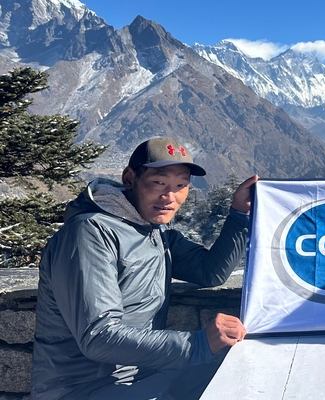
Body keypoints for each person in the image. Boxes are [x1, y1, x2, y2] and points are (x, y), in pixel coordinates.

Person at [31, 137, 259, 400]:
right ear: (129, 179)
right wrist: (197, 344)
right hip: (84, 389)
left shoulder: (155, 233)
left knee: (243, 374)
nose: (169, 197)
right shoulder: (90, 233)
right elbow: (99, 336)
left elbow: (210, 272)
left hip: (144, 376)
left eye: (180, 185)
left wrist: (240, 213)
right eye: (159, 183)